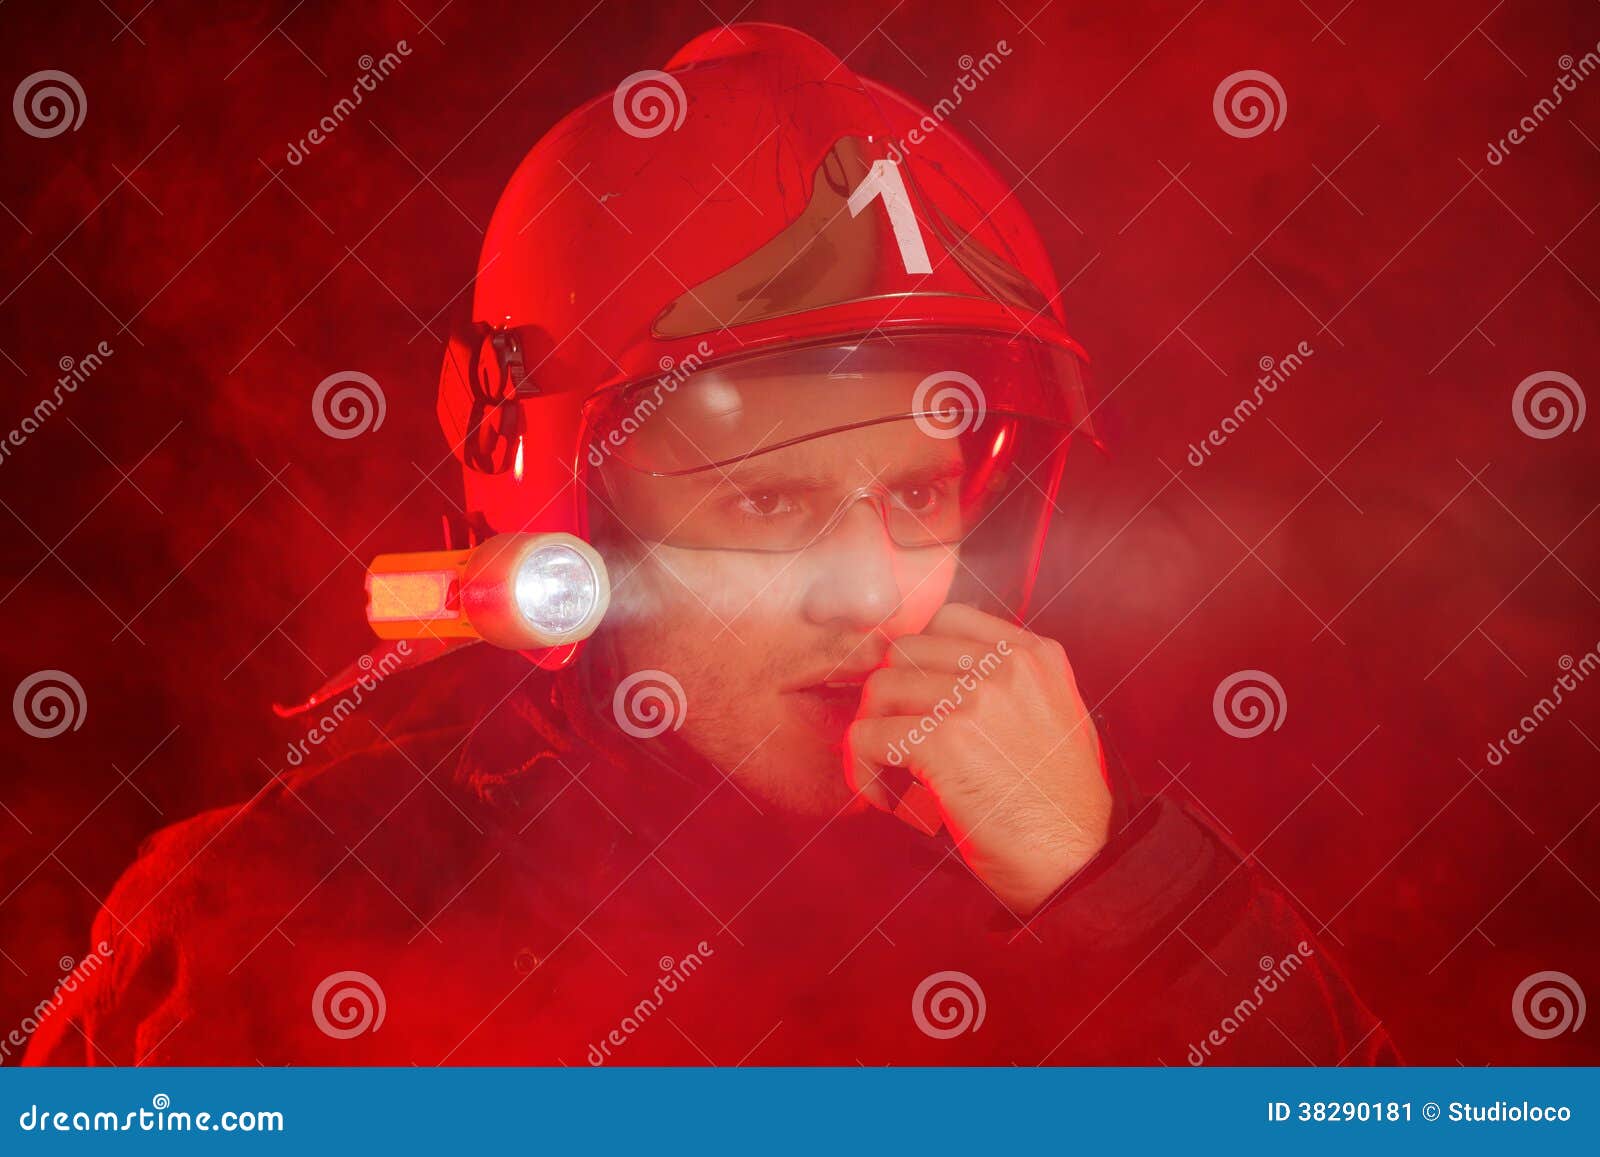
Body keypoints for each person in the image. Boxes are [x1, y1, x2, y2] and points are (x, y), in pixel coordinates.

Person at [25, 22, 1395, 1066]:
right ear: (569, 514)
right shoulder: (265, 931)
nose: (876, 589)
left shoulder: (1070, 858)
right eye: (767, 503)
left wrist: (1119, 902)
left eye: (918, 494)